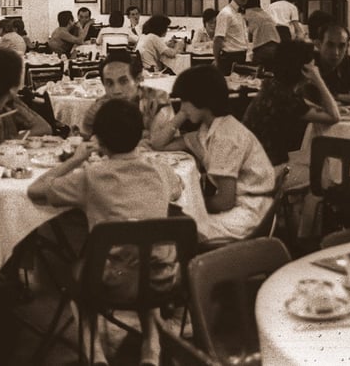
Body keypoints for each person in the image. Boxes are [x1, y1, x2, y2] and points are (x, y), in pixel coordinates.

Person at [28, 98, 183, 366]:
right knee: (145, 258)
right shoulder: (161, 170)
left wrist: (76, 159)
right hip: (162, 279)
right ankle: (151, 347)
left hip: (111, 283)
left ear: (99, 140)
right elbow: (178, 188)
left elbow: (36, 190)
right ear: (141, 134)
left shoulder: (92, 177)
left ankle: (95, 353)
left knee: (80, 274)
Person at [169, 65, 275, 240]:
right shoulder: (209, 130)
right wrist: (182, 114)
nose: (182, 108)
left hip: (248, 212)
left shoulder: (225, 137)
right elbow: (160, 144)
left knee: (180, 229)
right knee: (177, 222)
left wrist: (192, 205)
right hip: (242, 205)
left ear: (202, 100)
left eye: (184, 101)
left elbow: (225, 201)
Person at [243, 41, 340, 166]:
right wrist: (318, 79)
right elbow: (334, 117)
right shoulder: (287, 99)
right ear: (305, 70)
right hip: (268, 171)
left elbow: (309, 106)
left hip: (253, 163)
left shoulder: (273, 87)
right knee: (321, 171)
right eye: (312, 66)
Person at [86, 53, 178, 148]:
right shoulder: (99, 107)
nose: (116, 90)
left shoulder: (157, 99)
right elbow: (85, 142)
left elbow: (159, 140)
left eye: (123, 81)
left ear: (138, 79)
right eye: (109, 83)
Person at [213, 0, 251, 75]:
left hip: (242, 57)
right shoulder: (225, 13)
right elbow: (218, 39)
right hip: (229, 59)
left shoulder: (241, 12)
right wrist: (217, 61)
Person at [245, 0, 281, 68]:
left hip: (262, 49)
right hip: (276, 48)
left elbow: (247, 37)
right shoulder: (264, 13)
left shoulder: (247, 13)